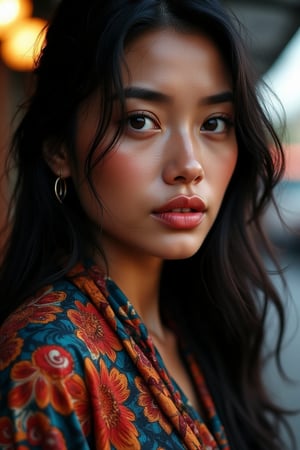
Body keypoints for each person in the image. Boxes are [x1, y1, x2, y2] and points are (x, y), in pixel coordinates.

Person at [0, 0, 291, 449]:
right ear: (60, 148)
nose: (189, 166)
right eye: (141, 121)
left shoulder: (196, 326)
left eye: (214, 123)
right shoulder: (45, 361)